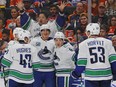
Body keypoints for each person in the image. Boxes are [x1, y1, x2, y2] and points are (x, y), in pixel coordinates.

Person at [71, 23, 116, 87]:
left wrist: (75, 74)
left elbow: (81, 64)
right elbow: (114, 61)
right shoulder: (108, 42)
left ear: (89, 32)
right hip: (106, 76)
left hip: (91, 77)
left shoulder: (83, 44)